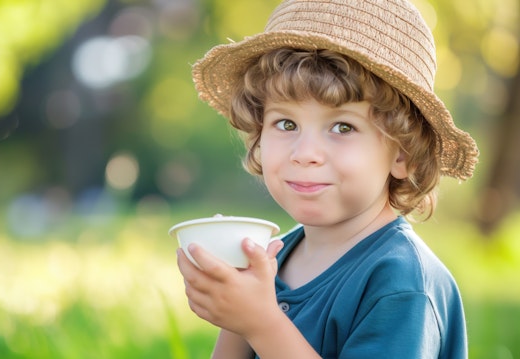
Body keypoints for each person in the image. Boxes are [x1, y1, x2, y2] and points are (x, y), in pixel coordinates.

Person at [176, 0, 479, 358]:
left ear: (403, 154)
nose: (305, 153)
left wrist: (261, 322)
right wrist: (236, 311)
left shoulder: (401, 283)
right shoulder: (275, 258)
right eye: (286, 124)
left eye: (342, 126)